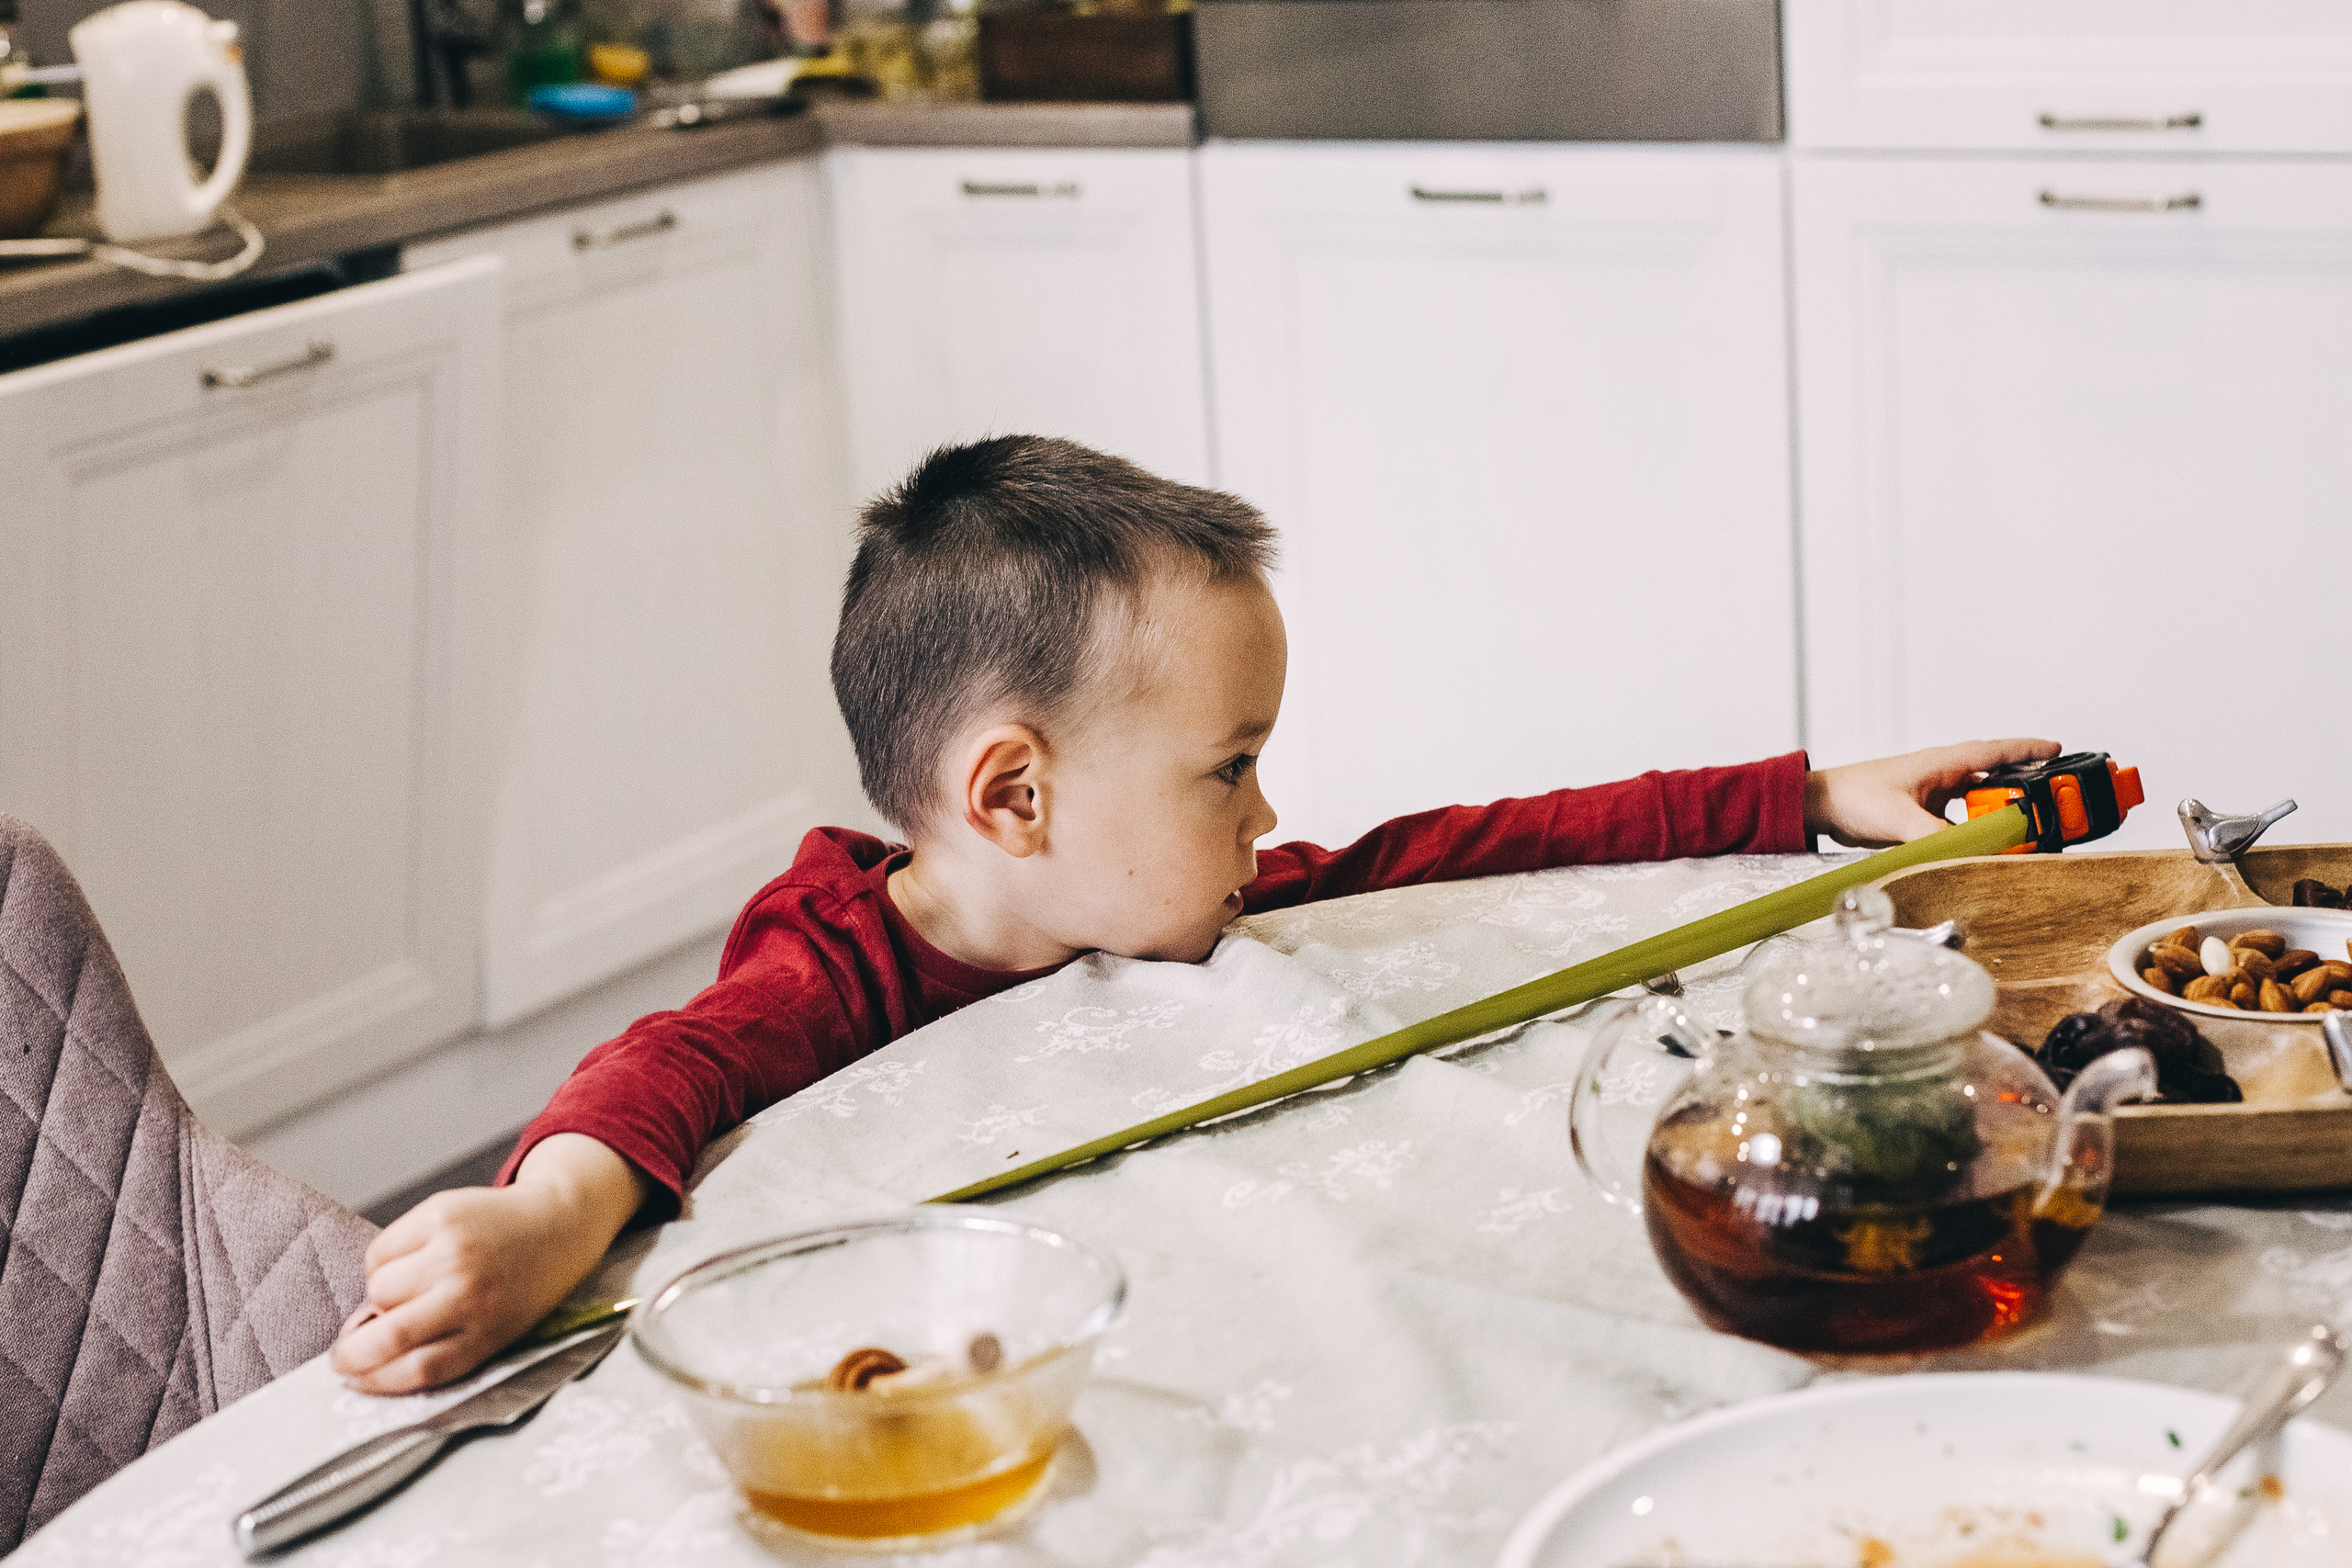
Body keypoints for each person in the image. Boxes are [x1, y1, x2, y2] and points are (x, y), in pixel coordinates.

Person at [331, 435, 2057, 1393]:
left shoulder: (1142, 889)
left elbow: (1458, 849)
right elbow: (668, 1065)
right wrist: (544, 1219)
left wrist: (1808, 795)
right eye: (1229, 768)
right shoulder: (838, 965)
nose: (1268, 817)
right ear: (1016, 798)